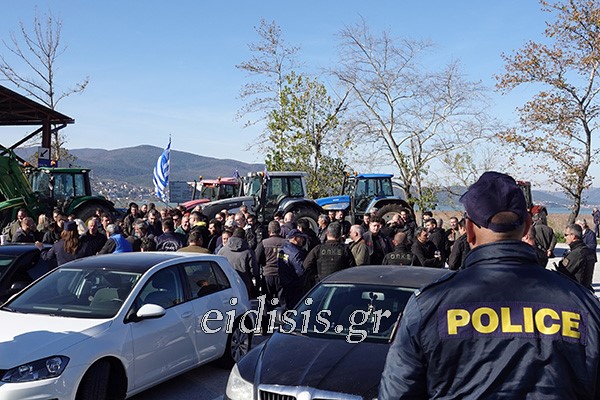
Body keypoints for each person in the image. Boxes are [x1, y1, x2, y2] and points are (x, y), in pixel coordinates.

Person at [379, 171, 600, 399]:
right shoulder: (583, 305)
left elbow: (397, 393)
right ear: (527, 225)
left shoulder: (429, 306)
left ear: (469, 230)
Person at [218, 227, 258, 297]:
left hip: (226, 285)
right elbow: (254, 271)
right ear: (244, 237)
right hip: (244, 285)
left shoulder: (222, 251)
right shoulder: (248, 252)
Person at [557, 223, 596, 289]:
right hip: (586, 291)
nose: (565, 237)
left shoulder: (577, 253)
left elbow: (562, 274)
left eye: (566, 235)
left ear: (573, 236)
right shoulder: (587, 251)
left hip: (575, 291)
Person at [277, 229, 308, 309]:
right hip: (294, 285)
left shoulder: (283, 249)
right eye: (301, 238)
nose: (303, 240)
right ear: (295, 238)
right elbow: (301, 271)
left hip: (283, 283)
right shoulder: (296, 253)